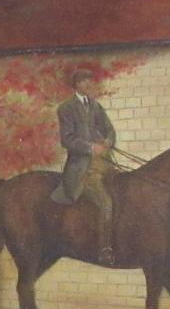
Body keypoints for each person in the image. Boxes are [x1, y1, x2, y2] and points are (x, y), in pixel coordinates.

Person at [49, 68, 119, 262]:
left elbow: (110, 130)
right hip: (82, 169)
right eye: (84, 81)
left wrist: (107, 141)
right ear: (77, 85)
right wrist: (90, 147)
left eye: (90, 81)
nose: (89, 84)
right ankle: (104, 249)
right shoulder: (66, 108)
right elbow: (67, 139)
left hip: (104, 164)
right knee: (106, 203)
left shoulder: (96, 106)